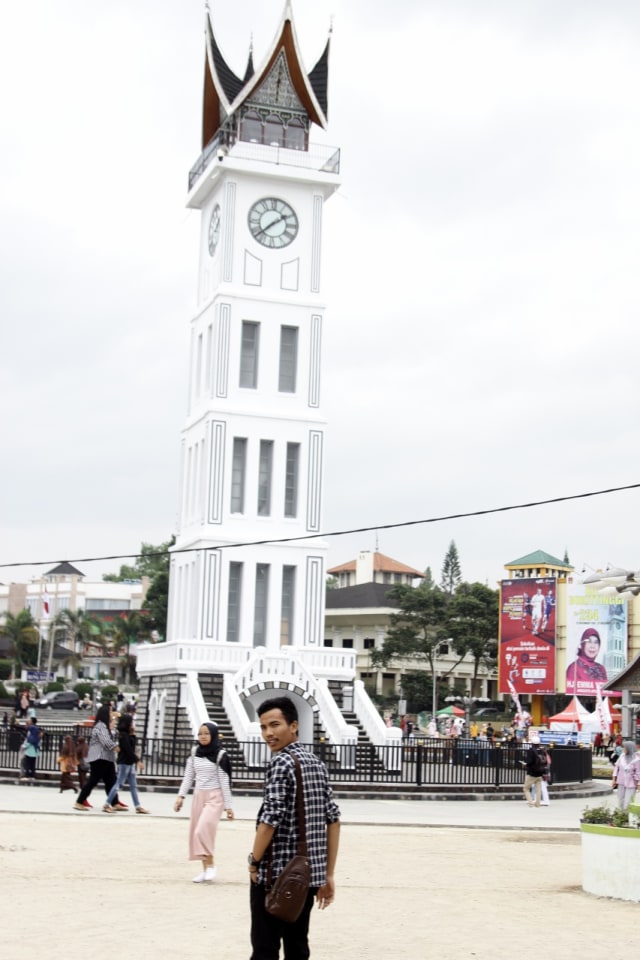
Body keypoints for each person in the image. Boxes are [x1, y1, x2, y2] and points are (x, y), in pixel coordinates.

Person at [248, 696, 340, 960]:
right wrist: (327, 874)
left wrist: (254, 862)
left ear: (294, 726)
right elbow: (333, 819)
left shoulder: (281, 763)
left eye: (275, 725)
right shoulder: (316, 763)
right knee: (297, 945)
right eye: (263, 727)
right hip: (307, 875)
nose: (268, 733)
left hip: (274, 875)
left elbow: (270, 820)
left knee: (265, 948)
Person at [174, 721, 233, 882]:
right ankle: (205, 869)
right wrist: (181, 796)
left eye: (206, 733)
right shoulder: (194, 752)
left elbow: (224, 781)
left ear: (213, 735)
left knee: (202, 830)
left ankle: (212, 865)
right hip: (199, 796)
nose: (203, 736)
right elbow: (188, 776)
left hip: (215, 797)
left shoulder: (221, 755)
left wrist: (228, 806)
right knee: (196, 832)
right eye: (200, 733)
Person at [74, 705, 124, 812]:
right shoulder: (100, 726)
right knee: (93, 780)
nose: (112, 714)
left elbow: (109, 736)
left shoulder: (104, 726)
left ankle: (114, 802)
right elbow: (105, 741)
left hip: (107, 758)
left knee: (111, 781)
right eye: (110, 712)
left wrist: (113, 721)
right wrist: (116, 748)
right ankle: (79, 801)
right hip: (99, 758)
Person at [104, 713, 149, 814]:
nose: (133, 724)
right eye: (131, 722)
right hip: (124, 762)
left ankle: (138, 806)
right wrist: (137, 761)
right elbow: (128, 749)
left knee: (133, 785)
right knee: (118, 784)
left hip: (130, 762)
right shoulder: (123, 735)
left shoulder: (128, 734)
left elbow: (132, 746)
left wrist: (133, 735)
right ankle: (107, 804)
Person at [566, 628, 608, 692]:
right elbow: (570, 691)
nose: (592, 646)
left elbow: (607, 691)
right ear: (582, 644)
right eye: (589, 641)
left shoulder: (601, 668)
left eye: (596, 642)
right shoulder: (573, 668)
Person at [612, 741, 640, 811]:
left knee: (628, 802)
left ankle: (627, 818)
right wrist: (614, 779)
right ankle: (621, 817)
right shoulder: (622, 756)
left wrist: (639, 784)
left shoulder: (637, 759)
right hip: (621, 782)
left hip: (631, 783)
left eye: (624, 747)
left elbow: (639, 773)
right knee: (620, 800)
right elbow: (616, 767)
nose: (622, 749)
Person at [522, 735, 546, 807]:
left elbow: (529, 761)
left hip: (532, 773)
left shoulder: (531, 750)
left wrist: (525, 764)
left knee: (526, 788)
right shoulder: (542, 750)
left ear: (532, 743)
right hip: (540, 772)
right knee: (538, 789)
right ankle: (538, 803)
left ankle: (531, 803)